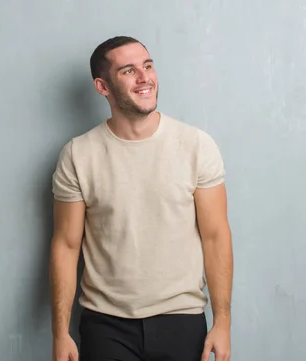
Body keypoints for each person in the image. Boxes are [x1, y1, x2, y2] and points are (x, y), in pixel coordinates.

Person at [49, 36, 233, 361]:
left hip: (182, 318)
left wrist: (222, 323)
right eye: (128, 71)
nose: (144, 77)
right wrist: (60, 333)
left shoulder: (196, 146)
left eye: (148, 66)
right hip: (105, 325)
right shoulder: (78, 155)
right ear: (102, 86)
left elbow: (216, 236)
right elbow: (66, 244)